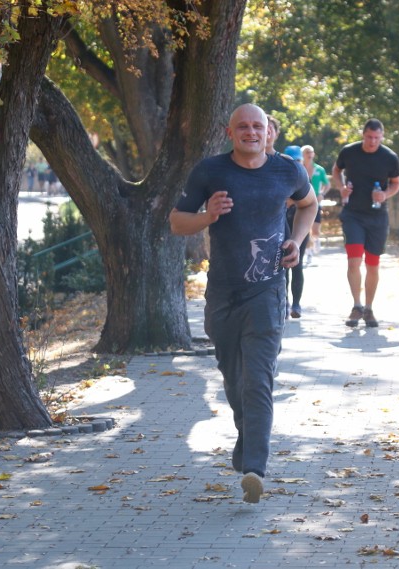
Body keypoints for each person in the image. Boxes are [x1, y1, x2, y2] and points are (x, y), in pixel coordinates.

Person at [169, 104, 317, 504]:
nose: (251, 132)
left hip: (268, 290)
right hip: (222, 293)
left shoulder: (288, 169)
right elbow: (177, 221)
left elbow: (309, 204)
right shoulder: (210, 171)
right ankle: (247, 439)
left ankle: (254, 468)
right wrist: (208, 216)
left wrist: (296, 242)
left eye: (258, 126)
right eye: (243, 127)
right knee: (235, 381)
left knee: (259, 378)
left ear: (268, 130)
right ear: (229, 131)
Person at [331, 119, 399, 328]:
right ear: (363, 135)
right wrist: (341, 187)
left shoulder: (389, 157)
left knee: (373, 264)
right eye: (369, 137)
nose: (372, 142)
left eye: (377, 138)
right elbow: (336, 170)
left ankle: (369, 308)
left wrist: (385, 194)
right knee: (354, 261)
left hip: (377, 217)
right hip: (353, 214)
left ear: (382, 137)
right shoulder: (349, 152)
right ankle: (357, 306)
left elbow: (396, 183)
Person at [283, 145, 313, 318]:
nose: (295, 164)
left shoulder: (304, 179)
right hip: (282, 224)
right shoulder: (279, 177)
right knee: (283, 266)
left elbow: (310, 204)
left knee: (297, 264)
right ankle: (285, 301)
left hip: (299, 227)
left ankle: (296, 304)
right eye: (292, 161)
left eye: (298, 161)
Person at [301, 145, 329, 261]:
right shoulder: (299, 168)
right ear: (302, 154)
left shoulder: (319, 169)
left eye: (312, 152)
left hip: (316, 202)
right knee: (305, 229)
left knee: (315, 229)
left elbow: (327, 184)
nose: (310, 154)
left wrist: (322, 193)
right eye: (307, 152)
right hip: (302, 202)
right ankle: (308, 252)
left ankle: (316, 239)